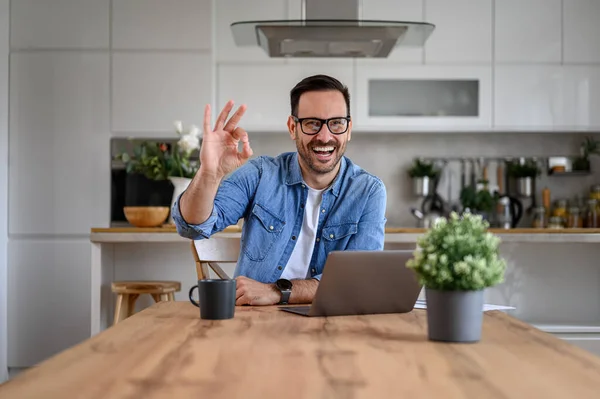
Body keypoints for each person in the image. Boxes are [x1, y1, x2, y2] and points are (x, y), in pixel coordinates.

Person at [172, 74, 387, 306]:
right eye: (312, 123)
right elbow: (192, 227)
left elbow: (357, 281)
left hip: (332, 324)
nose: (325, 136)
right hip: (254, 324)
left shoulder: (368, 191)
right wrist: (209, 174)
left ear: (349, 128)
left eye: (336, 123)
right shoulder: (261, 174)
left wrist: (277, 292)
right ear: (292, 127)